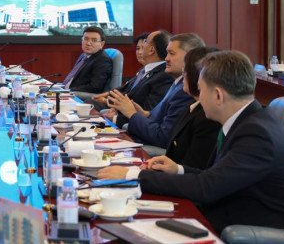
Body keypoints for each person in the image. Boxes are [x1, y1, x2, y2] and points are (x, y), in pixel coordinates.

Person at [124, 51, 284, 233]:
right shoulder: (246, 120)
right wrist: (178, 170)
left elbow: (206, 188)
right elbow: (218, 177)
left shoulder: (257, 135)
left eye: (201, 90)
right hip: (230, 213)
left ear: (218, 95)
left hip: (255, 230)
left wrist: (133, 174)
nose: (198, 98)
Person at [98, 46, 220, 181]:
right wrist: (144, 114)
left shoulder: (206, 114)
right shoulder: (192, 105)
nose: (183, 73)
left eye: (186, 69)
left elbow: (165, 139)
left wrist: (132, 114)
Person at [107, 33, 204, 149]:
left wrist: (132, 114)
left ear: (190, 57)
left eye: (172, 53)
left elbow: (163, 137)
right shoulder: (177, 83)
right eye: (167, 53)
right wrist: (144, 114)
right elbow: (161, 119)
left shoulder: (185, 91)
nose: (166, 58)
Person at [94, 30, 174, 125]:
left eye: (145, 41)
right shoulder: (147, 70)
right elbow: (129, 92)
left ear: (151, 50)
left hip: (132, 124)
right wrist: (115, 107)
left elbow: (148, 113)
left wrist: (115, 117)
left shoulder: (164, 76)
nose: (142, 45)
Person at [60, 26, 113, 93]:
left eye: (94, 40)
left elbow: (95, 87)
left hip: (76, 95)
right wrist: (59, 88)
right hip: (65, 90)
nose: (88, 43)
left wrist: (68, 91)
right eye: (86, 39)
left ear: (101, 44)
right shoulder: (84, 55)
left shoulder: (103, 60)